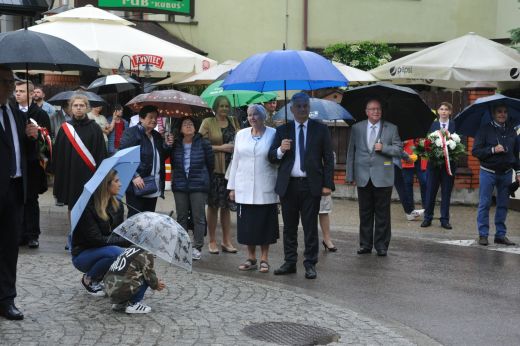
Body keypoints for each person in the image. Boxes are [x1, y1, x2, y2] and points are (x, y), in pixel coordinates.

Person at [268, 93, 335, 279]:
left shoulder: (320, 129)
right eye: (298, 106)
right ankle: (289, 262)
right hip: (288, 185)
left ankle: (310, 263)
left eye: (305, 105)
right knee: (289, 227)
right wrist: (281, 149)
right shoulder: (283, 131)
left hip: (311, 185)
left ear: (309, 107)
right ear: (292, 109)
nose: (302, 109)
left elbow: (328, 159)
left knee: (310, 227)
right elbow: (271, 157)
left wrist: (328, 184)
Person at [0, 65, 39, 320]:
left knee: (9, 247)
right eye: (5, 82)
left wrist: (31, 136)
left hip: (15, 189)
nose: (10, 87)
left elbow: (20, 147)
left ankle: (6, 299)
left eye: (11, 82)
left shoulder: (14, 109)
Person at [346, 98, 402, 257]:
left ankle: (381, 245)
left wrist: (384, 148)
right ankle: (365, 244)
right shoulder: (357, 128)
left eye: (378, 109)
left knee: (383, 213)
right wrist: (350, 175)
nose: (376, 111)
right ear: (366, 111)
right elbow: (351, 152)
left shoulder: (391, 128)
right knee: (364, 212)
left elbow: (399, 150)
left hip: (383, 176)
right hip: (362, 176)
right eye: (372, 109)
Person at [228, 105, 279, 273]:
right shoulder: (241, 135)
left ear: (263, 116)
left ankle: (264, 258)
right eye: (249, 115)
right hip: (244, 186)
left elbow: (276, 157)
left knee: (265, 224)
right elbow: (235, 161)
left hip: (266, 185)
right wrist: (232, 187)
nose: (252, 118)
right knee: (248, 225)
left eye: (256, 114)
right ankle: (251, 257)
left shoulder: (273, 133)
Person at [71, 170, 129, 296]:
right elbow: (96, 239)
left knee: (129, 253)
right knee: (117, 253)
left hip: (105, 250)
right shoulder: (88, 207)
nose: (120, 184)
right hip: (83, 254)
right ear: (106, 185)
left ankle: (105, 279)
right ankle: (90, 279)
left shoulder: (118, 205)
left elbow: (119, 234)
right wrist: (125, 242)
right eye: (116, 181)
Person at [472, 104, 520, 246]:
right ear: (493, 114)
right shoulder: (484, 130)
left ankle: (500, 235)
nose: (502, 114)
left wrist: (518, 172)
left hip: (506, 173)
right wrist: (493, 149)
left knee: (503, 205)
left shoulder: (511, 131)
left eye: (505, 112)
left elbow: (515, 154)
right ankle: (483, 234)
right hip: (488, 173)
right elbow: (475, 151)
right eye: (499, 112)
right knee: (485, 204)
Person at [199, 95, 240, 254]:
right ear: (215, 107)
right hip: (214, 169)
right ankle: (212, 241)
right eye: (221, 106)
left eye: (226, 106)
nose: (224, 108)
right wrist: (221, 148)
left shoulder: (234, 122)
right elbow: (200, 144)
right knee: (213, 206)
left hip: (230, 170)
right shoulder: (207, 122)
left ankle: (226, 240)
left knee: (226, 207)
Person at [53, 94, 107, 211]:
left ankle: (87, 230)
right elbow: (59, 155)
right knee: (72, 207)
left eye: (81, 105)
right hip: (70, 174)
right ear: (71, 108)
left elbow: (101, 153)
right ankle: (73, 229)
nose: (78, 108)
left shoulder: (95, 128)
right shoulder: (65, 128)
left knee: (90, 206)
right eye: (75, 105)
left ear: (87, 108)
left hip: (89, 174)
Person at [171, 116, 214, 261]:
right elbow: (169, 157)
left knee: (199, 217)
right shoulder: (175, 144)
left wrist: (205, 180)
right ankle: (183, 246)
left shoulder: (203, 143)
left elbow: (210, 164)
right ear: (181, 129)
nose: (188, 126)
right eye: (185, 124)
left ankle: (197, 247)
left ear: (195, 128)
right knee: (181, 216)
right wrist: (167, 143)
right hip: (180, 184)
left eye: (190, 124)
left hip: (198, 184)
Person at [15, 80, 51, 249]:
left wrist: (37, 137)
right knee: (16, 199)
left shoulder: (40, 114)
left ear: (30, 93)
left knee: (31, 198)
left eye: (22, 91)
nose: (18, 94)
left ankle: (32, 234)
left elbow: (47, 141)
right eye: (16, 91)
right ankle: (19, 233)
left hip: (33, 162)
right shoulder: (12, 111)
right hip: (16, 161)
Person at [119, 105, 173, 217]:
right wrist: (134, 176)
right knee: (135, 219)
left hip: (153, 184)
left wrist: (168, 145)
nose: (154, 120)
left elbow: (161, 157)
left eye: (155, 118)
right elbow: (124, 156)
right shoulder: (131, 133)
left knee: (149, 219)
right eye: (150, 117)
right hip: (138, 184)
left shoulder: (157, 135)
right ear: (141, 118)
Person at [421, 102, 456, 229]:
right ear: (438, 111)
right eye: (441, 109)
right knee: (430, 192)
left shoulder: (454, 125)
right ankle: (427, 218)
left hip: (449, 165)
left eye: (446, 109)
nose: (444, 111)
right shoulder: (432, 125)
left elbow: (459, 143)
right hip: (434, 165)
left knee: (446, 192)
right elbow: (427, 142)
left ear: (450, 112)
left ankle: (445, 220)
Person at [104, 245, 166, 314]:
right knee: (144, 275)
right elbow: (149, 275)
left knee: (131, 273)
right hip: (121, 288)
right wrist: (156, 284)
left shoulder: (132, 247)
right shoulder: (147, 253)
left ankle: (120, 303)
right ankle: (133, 304)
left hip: (108, 286)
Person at [393, 150, 424, 221]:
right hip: (392, 163)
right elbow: (397, 148)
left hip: (388, 163)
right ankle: (409, 212)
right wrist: (407, 158)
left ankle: (409, 211)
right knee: (401, 188)